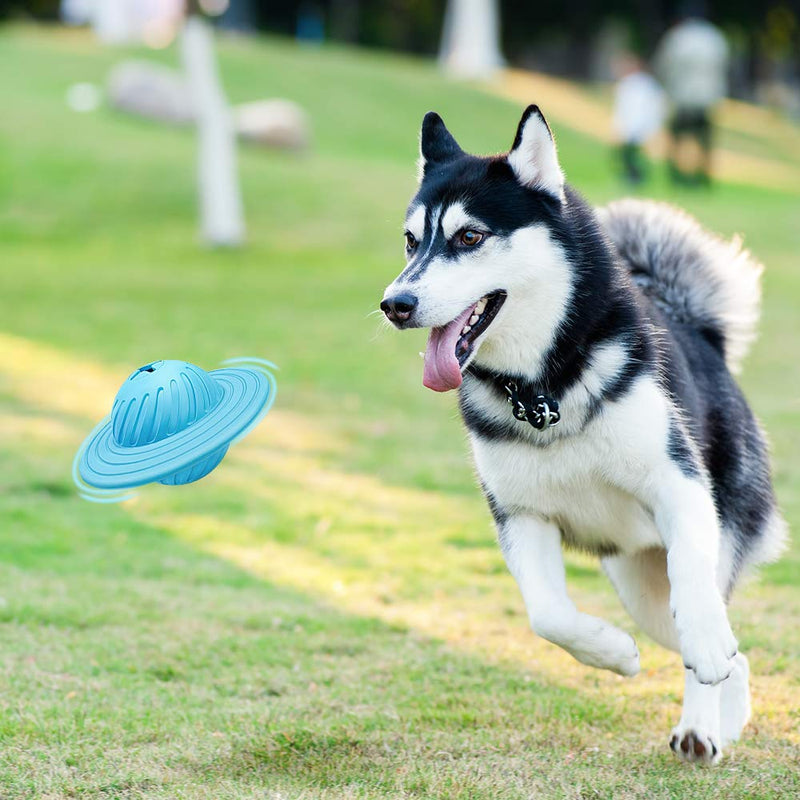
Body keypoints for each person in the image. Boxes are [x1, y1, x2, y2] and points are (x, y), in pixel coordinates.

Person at [653, 5, 730, 185]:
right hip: (708, 97)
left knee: (677, 138)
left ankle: (677, 176)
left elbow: (664, 65)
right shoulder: (715, 37)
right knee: (704, 141)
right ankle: (703, 177)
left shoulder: (678, 37)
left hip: (683, 97)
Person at [612, 53, 665, 185]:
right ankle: (632, 177)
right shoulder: (628, 84)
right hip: (632, 126)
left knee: (634, 154)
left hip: (637, 126)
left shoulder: (641, 85)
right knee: (626, 154)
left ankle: (636, 177)